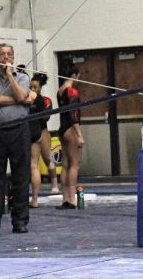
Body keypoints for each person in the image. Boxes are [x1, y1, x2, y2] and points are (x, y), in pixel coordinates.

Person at [0, 43, 34, 235]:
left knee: (21, 176)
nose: (5, 58)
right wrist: (20, 99)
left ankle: (20, 221)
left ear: (13, 57)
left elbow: (21, 93)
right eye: (2, 54)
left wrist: (11, 76)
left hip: (19, 130)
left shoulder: (23, 77)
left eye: (9, 54)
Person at [57, 66, 84, 209]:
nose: (78, 80)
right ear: (74, 75)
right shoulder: (72, 91)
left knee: (66, 164)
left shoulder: (60, 90)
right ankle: (72, 198)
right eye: (78, 77)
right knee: (75, 163)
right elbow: (73, 115)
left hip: (62, 129)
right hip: (70, 129)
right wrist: (79, 135)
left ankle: (64, 198)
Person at [29, 72, 59, 206]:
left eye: (35, 87)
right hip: (35, 131)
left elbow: (46, 117)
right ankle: (34, 198)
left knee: (48, 160)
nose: (32, 89)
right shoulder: (29, 98)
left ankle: (54, 184)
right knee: (33, 164)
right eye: (31, 87)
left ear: (40, 88)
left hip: (42, 131)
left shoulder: (45, 100)